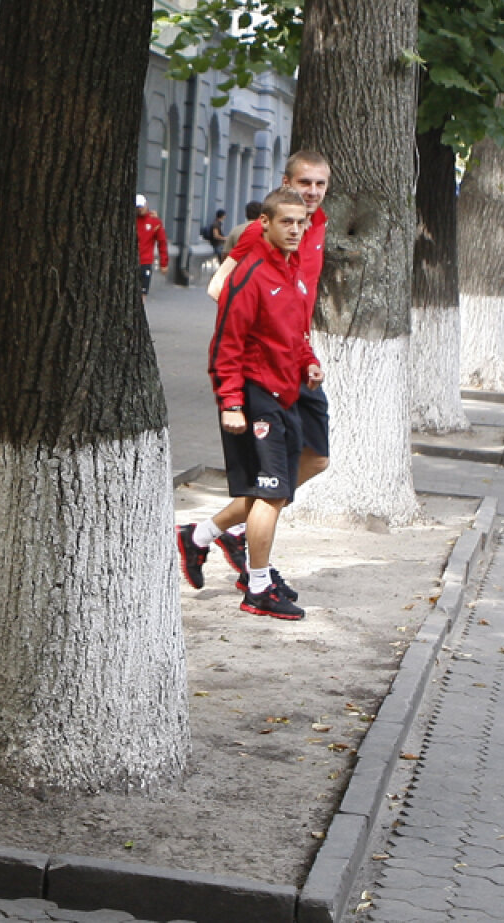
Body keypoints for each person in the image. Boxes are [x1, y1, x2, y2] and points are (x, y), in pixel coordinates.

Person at [178, 151, 332, 593]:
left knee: (316, 459)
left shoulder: (314, 226)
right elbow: (219, 288)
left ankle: (206, 533)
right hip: (264, 369)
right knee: (273, 484)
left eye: (321, 184)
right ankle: (247, 538)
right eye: (305, 183)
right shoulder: (265, 231)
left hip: (298, 362)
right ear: (287, 181)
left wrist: (302, 351)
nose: (313, 192)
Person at [201, 186, 322, 619]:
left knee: (279, 489)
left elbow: (295, 333)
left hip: (287, 391)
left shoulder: (296, 272)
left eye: (300, 222)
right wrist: (231, 403)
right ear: (264, 224)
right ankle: (257, 587)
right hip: (255, 395)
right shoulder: (250, 274)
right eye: (285, 221)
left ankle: (200, 537)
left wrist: (309, 362)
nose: (294, 229)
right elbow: (225, 347)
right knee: (269, 494)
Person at [135, 194, 168, 304]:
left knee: (143, 291)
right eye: (138, 207)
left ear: (146, 205)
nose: (140, 209)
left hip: (145, 261)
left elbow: (162, 242)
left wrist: (164, 263)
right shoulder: (133, 221)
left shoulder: (154, 222)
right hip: (132, 260)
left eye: (141, 206)